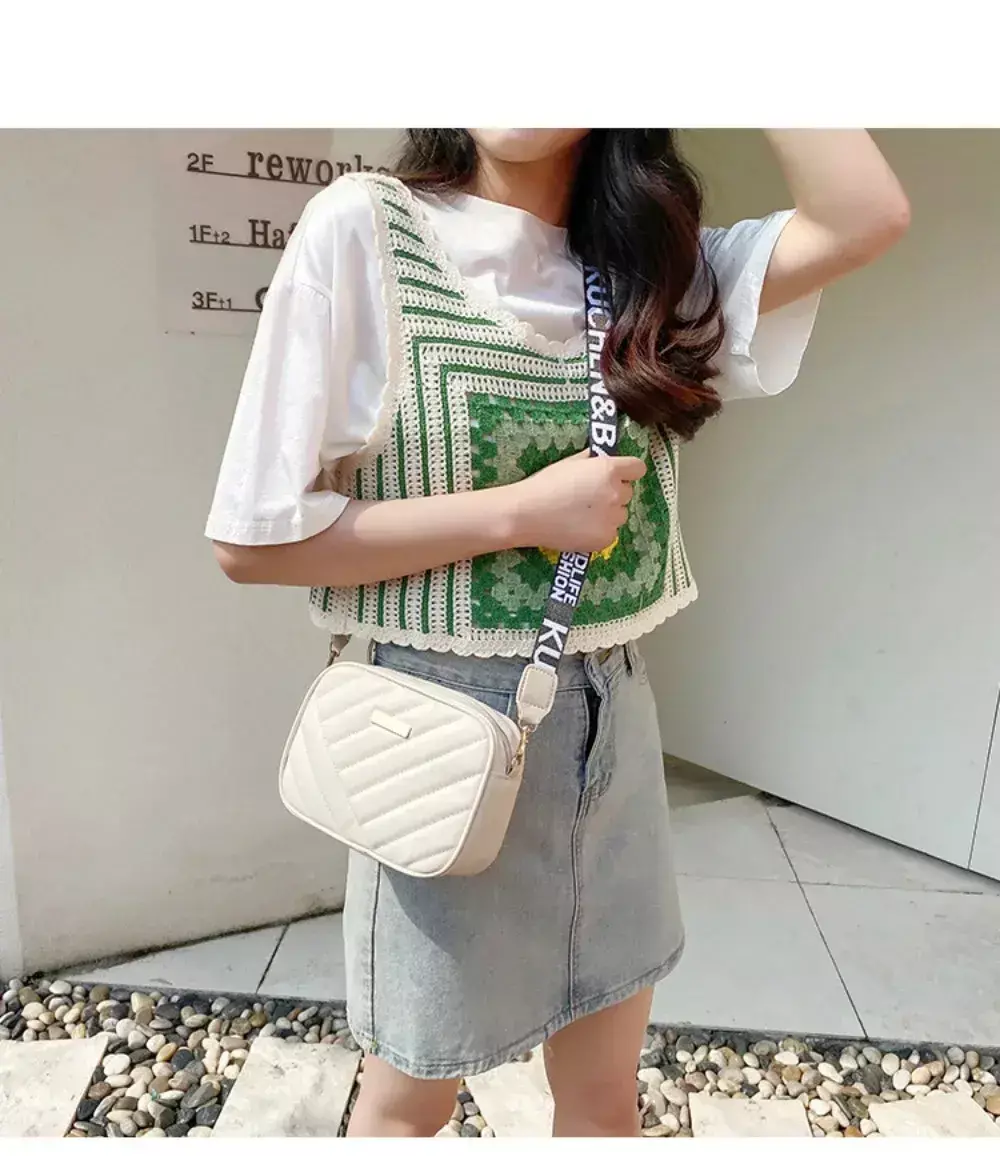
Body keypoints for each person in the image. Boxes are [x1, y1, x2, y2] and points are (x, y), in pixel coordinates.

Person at [206, 129, 909, 1137]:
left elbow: (864, 214)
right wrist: (517, 514)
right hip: (439, 725)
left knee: (603, 1098)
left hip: (614, 712)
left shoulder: (653, 270)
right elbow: (252, 541)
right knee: (409, 1099)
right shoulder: (366, 230)